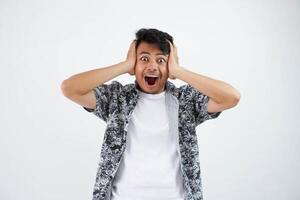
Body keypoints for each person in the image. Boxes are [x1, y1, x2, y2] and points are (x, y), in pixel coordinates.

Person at [61, 28, 241, 200]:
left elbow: (231, 97)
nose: (153, 66)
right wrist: (124, 66)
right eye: (144, 59)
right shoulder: (117, 99)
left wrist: (179, 71)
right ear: (135, 62)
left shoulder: (186, 100)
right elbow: (70, 89)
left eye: (161, 60)